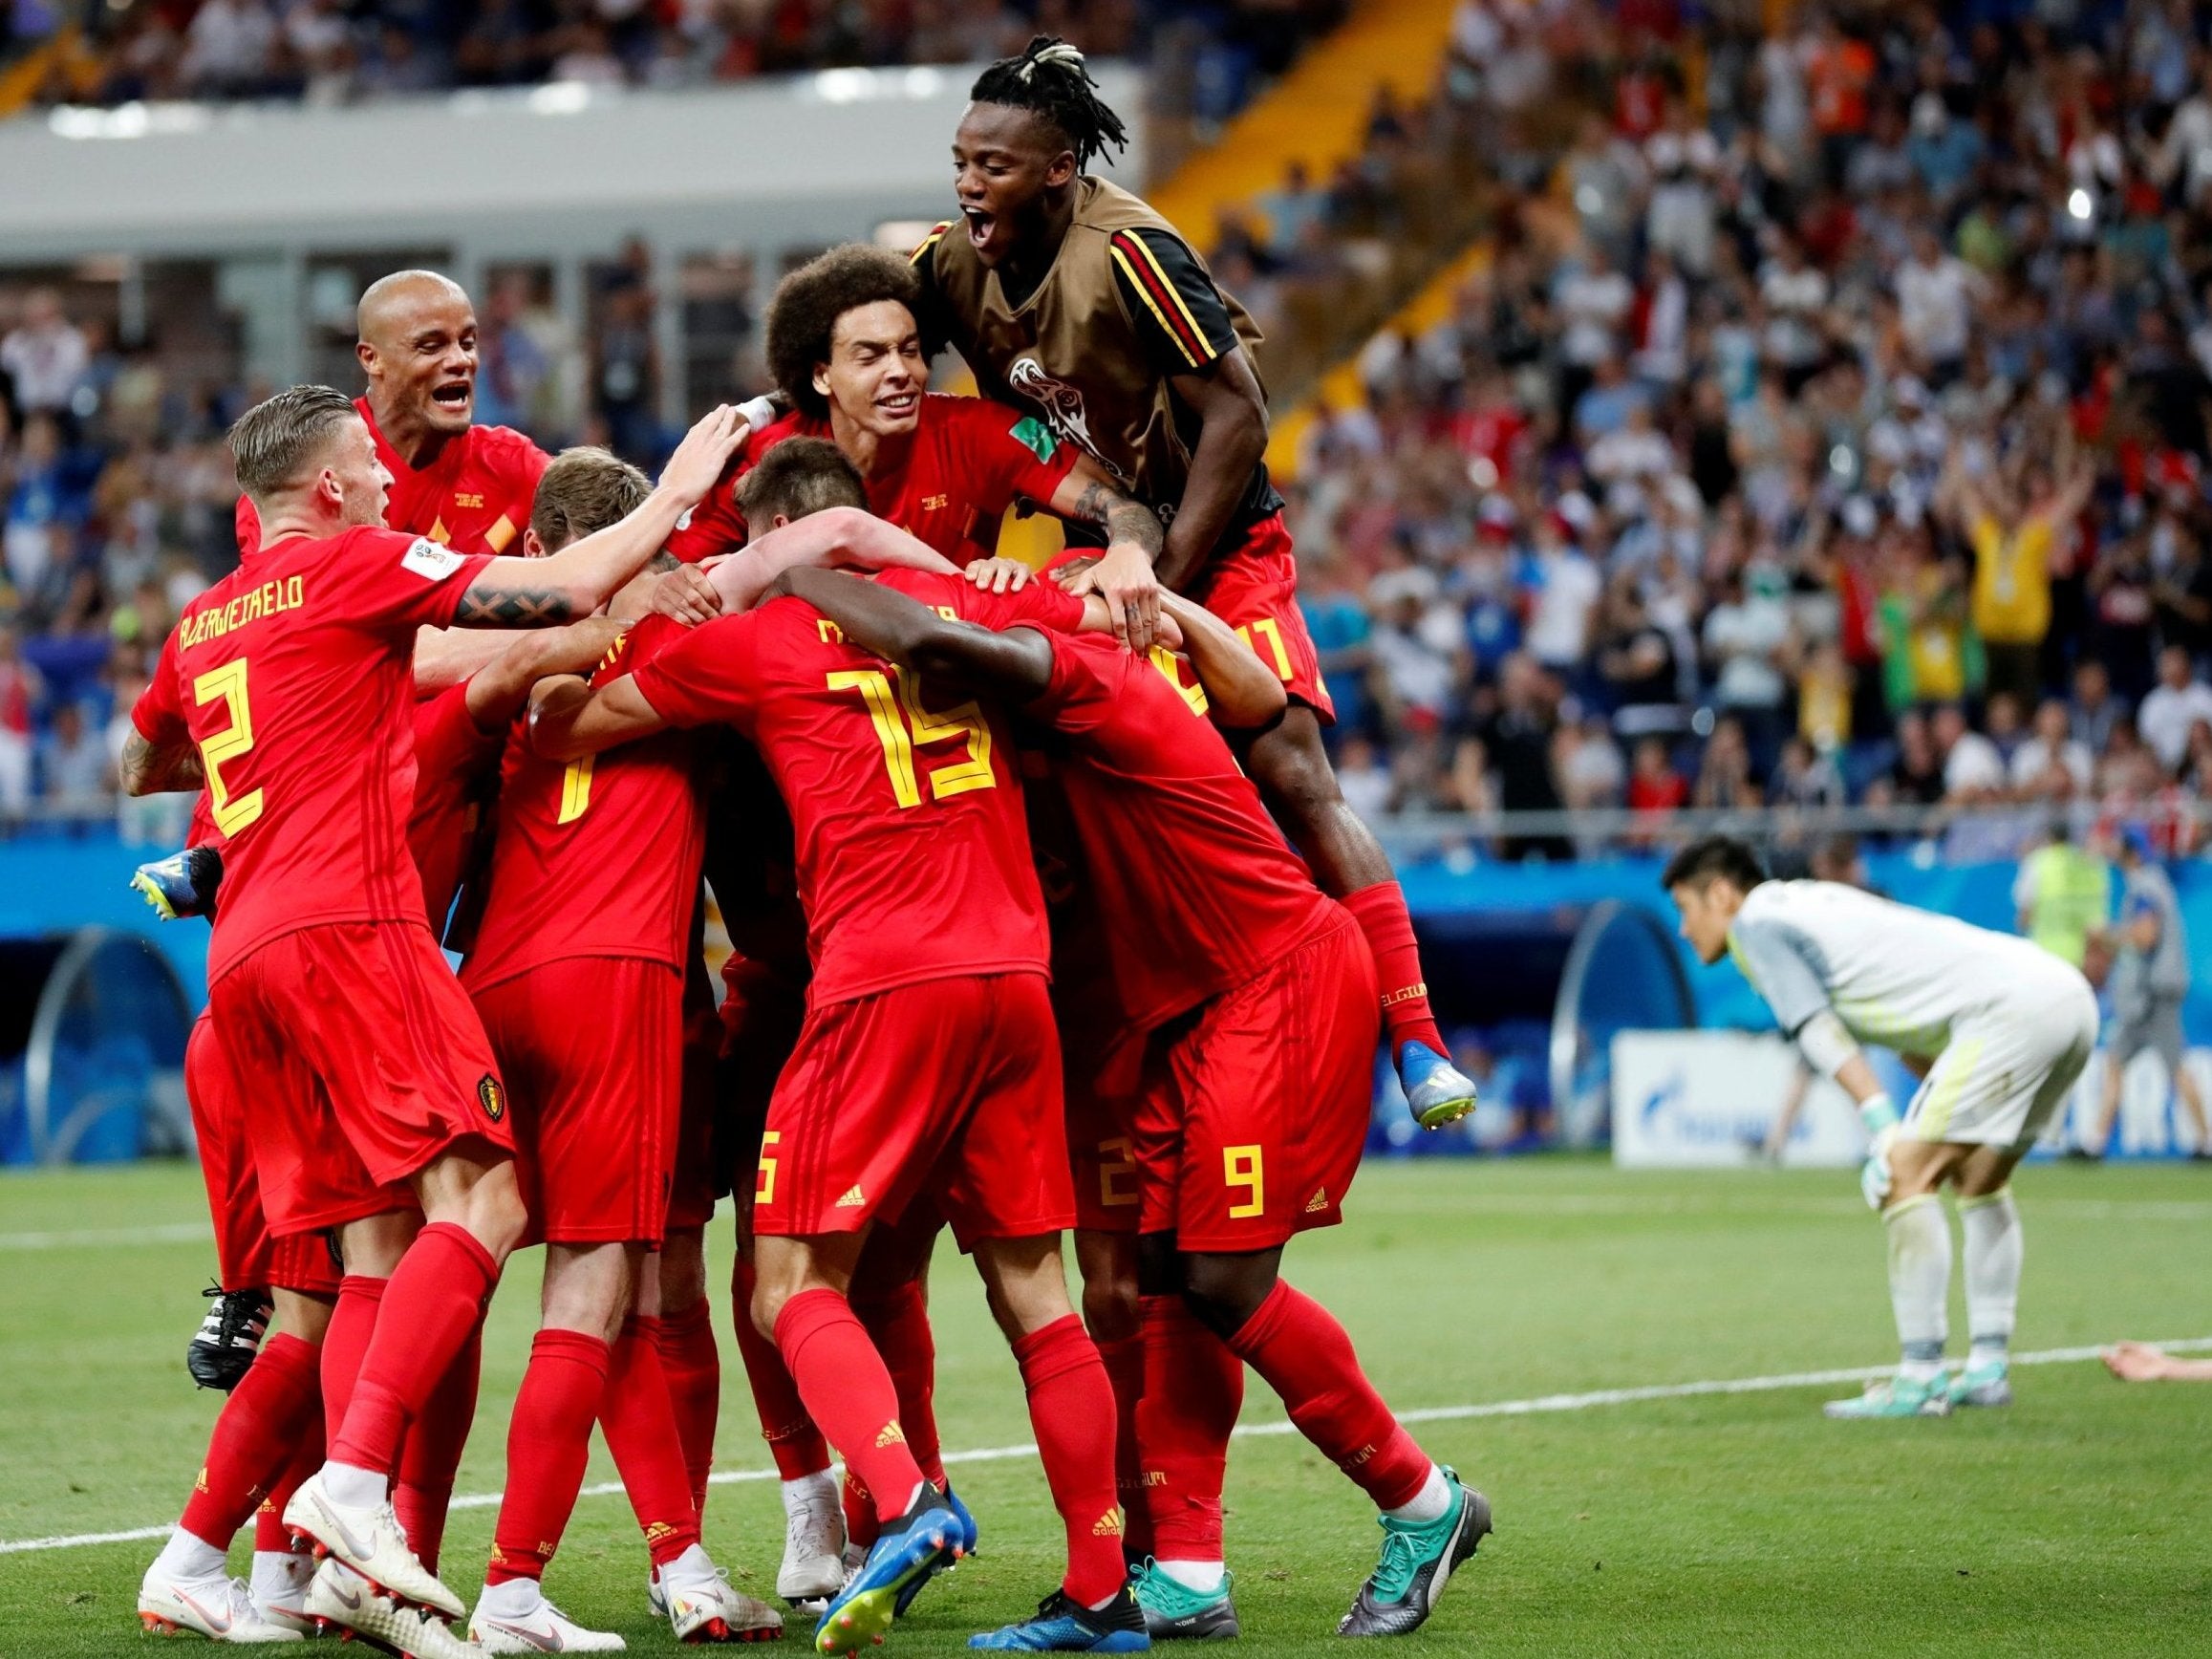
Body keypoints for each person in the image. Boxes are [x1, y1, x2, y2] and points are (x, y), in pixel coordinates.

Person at [121, 385, 749, 1655]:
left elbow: (144, 764)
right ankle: (352, 1495)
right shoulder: (358, 565)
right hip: (350, 933)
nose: (393, 485)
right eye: (372, 466)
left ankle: (258, 1555)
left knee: (363, 1272)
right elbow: (553, 598)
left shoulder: (201, 623)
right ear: (336, 491)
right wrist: (677, 498)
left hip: (240, 959)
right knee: (490, 1201)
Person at [780, 558, 1492, 1642]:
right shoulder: (1077, 694)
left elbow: (937, 644)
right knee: (1161, 1283)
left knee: (1220, 1278)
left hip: (1273, 978)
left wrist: (802, 562)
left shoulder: (1093, 674)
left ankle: (1420, 1501)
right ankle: (1190, 1571)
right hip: (1184, 1012)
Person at [530, 450, 1140, 1657]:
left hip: (880, 982)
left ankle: (908, 1501)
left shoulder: (753, 644)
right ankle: (1101, 1586)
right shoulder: (968, 607)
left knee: (787, 1278)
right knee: (1036, 1294)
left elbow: (569, 721)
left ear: (768, 539)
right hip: (1017, 976)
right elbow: (1105, 618)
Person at [911, 36, 1477, 1131]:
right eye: (961, 161)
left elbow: (1239, 416)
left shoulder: (1132, 252)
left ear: (1060, 167)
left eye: (994, 165)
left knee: (1290, 764)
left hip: (1214, 548)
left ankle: (1415, 1040)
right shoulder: (946, 265)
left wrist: (1163, 585)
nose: (969, 183)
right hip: (1082, 541)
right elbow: (877, 350)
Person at [131, 601, 627, 1643]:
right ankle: (301, 1526)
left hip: (252, 1014)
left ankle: (264, 1565)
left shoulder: (268, 736)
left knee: (342, 1294)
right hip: (330, 1006)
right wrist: (640, 598)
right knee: (383, 1271)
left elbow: (148, 763)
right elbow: (509, 669)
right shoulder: (403, 729)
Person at [453, 448, 780, 1651]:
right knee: (600, 1287)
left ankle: (679, 1559)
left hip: (489, 981)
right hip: (618, 978)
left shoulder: (507, 659)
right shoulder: (679, 640)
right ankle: (511, 1580)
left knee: (574, 1279)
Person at [1664, 834, 2097, 1418]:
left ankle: (1920, 1379)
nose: (1685, 930)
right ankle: (1988, 1367)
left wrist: (1885, 1129)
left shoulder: (1755, 924)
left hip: (2010, 1015)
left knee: (1902, 1177)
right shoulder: (1817, 905)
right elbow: (1920, 1032)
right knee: (1978, 1179)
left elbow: (1820, 1031)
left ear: (1721, 894)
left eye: (1686, 910)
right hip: (2065, 997)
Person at [667, 242, 1163, 586]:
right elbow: (672, 576)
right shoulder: (766, 457)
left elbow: (1124, 509)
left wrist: (1123, 555)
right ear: (822, 376)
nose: (900, 371)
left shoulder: (982, 432)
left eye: (909, 350)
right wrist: (680, 586)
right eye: (870, 357)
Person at [2075, 824, 2210, 1160]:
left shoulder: (2146, 886)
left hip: (2152, 995)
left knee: (2174, 1065)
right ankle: (2096, 1141)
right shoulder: (2150, 884)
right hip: (2149, 995)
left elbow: (2146, 936)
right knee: (2116, 1061)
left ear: (2132, 851)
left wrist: (2108, 935)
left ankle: (2207, 1140)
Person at [2012, 819, 2112, 974]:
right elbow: (2097, 922)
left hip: (2044, 955)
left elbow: (2024, 915)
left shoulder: (2037, 862)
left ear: (2049, 837)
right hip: (2080, 958)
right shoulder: (2087, 864)